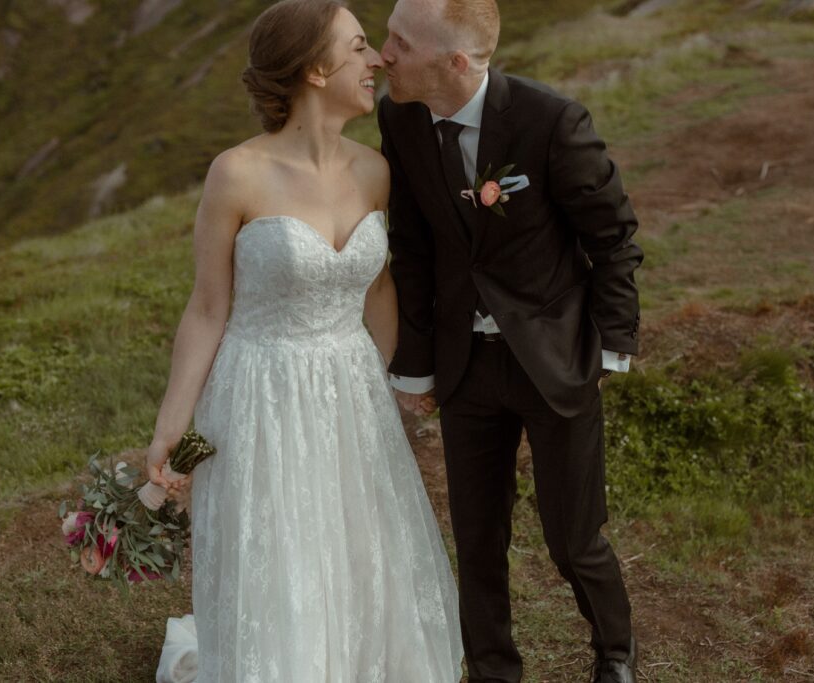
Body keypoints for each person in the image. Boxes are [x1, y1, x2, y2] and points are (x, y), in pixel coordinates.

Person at [144, 1, 464, 680]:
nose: (376, 59)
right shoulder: (237, 174)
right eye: (357, 47)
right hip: (259, 392)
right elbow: (206, 309)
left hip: (352, 390)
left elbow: (376, 292)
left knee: (357, 542)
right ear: (316, 70)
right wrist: (171, 429)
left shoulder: (375, 170)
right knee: (282, 550)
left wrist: (408, 381)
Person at [378, 0, 643, 681]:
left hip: (555, 358)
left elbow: (612, 237)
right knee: (477, 536)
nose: (383, 54)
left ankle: (614, 655)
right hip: (465, 365)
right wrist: (415, 363)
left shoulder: (551, 121)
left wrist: (611, 345)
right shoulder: (399, 118)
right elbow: (409, 245)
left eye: (399, 43)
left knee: (573, 538)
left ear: (454, 62)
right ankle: (493, 668)